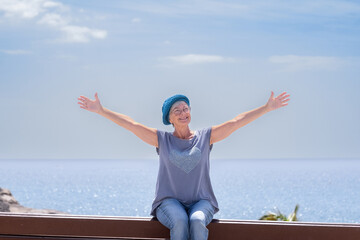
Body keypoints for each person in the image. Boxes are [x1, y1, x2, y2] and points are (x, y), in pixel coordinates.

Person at [77, 91, 290, 240]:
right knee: (179, 221)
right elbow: (132, 125)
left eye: (185, 108)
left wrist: (267, 108)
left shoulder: (206, 137)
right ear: (169, 118)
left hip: (201, 201)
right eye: (176, 110)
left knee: (197, 221)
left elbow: (236, 122)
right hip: (169, 202)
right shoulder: (162, 140)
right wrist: (101, 111)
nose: (182, 112)